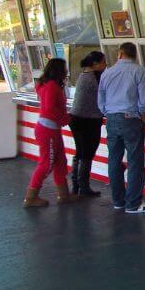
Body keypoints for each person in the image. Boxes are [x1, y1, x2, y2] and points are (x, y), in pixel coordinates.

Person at [97, 42, 145, 214]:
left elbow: (101, 98)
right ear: (134, 55)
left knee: (114, 160)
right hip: (131, 119)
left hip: (111, 119)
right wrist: (142, 113)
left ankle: (118, 201)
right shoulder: (139, 71)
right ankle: (133, 204)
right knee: (135, 162)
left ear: (120, 54)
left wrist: (107, 112)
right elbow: (144, 99)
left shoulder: (107, 73)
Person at [23, 58, 80, 208]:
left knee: (60, 162)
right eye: (65, 69)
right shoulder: (52, 86)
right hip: (48, 130)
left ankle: (64, 195)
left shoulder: (46, 85)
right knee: (46, 164)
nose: (67, 71)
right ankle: (31, 196)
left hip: (50, 129)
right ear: (59, 71)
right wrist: (64, 118)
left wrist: (63, 118)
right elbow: (50, 109)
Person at [69, 51, 107, 197]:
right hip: (89, 120)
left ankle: (76, 185)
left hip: (76, 118)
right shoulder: (96, 77)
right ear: (95, 64)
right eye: (103, 62)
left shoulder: (82, 75)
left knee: (80, 152)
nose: (105, 65)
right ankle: (83, 187)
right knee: (87, 153)